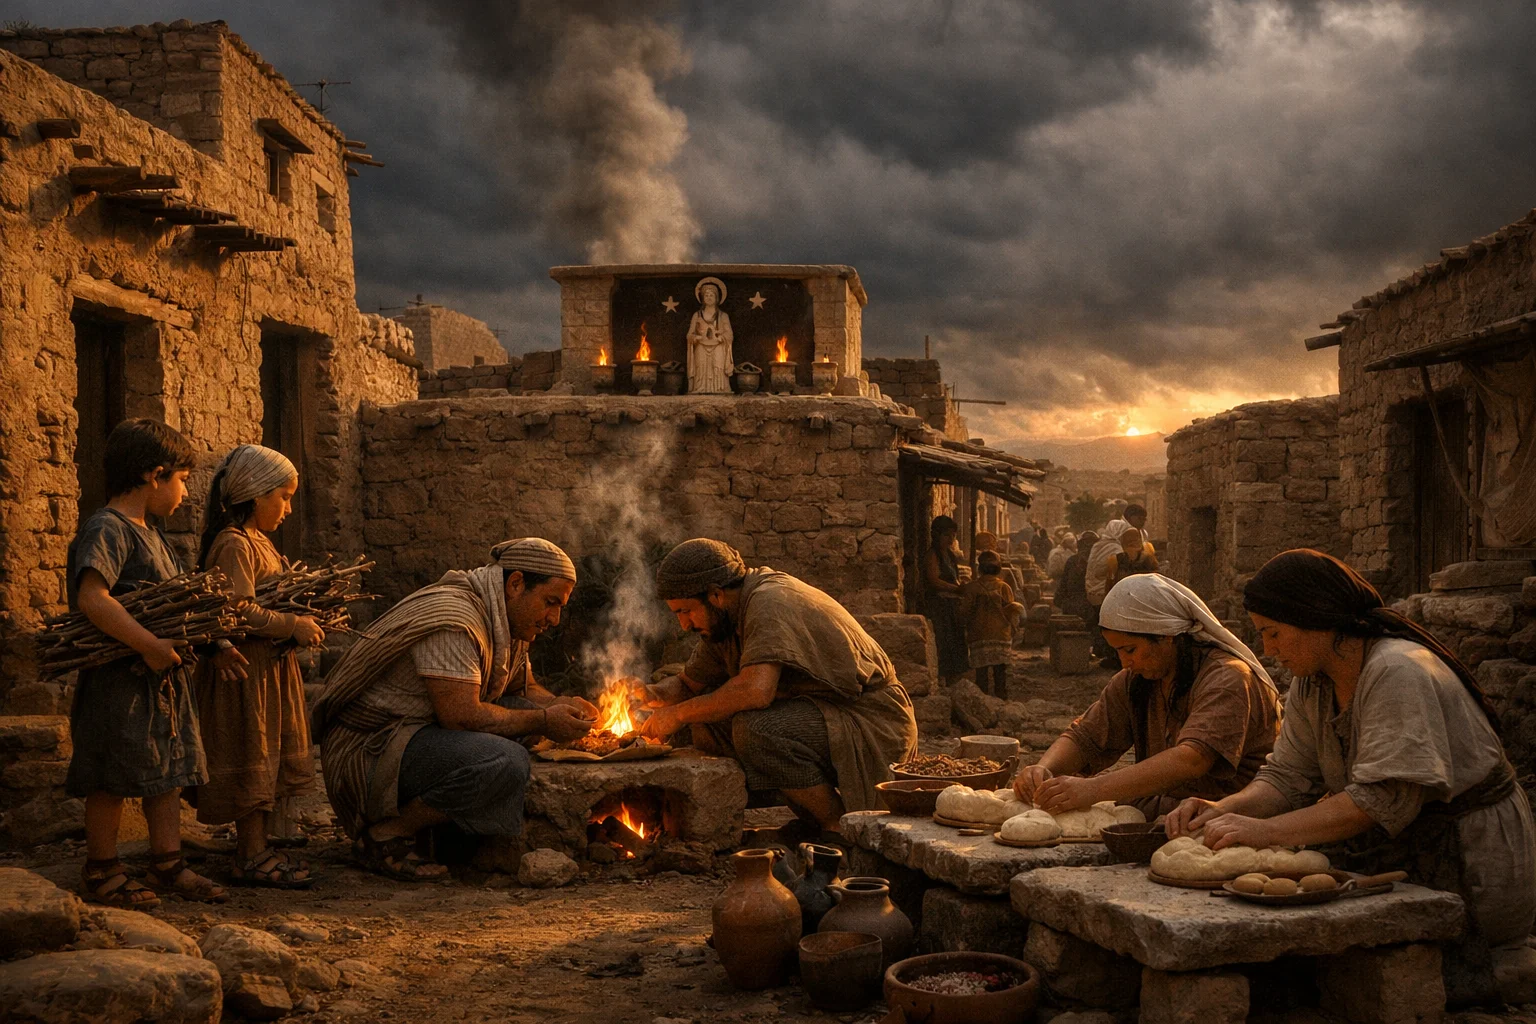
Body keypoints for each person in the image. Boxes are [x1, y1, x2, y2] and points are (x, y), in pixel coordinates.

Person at [1167, 549, 1536, 1005]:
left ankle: (1509, 968)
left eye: (1274, 633)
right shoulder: (1313, 680)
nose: (1268, 649)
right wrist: (1224, 810)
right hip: (1395, 843)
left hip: (1470, 851)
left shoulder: (1395, 670)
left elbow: (1379, 799)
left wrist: (1263, 832)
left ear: (1315, 619)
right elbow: (1287, 776)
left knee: (1444, 978)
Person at [312, 539, 597, 881]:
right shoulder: (456, 620)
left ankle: (448, 833)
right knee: (505, 761)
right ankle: (386, 834)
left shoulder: (507, 616)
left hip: (416, 736)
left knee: (523, 718)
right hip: (370, 750)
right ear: (516, 583)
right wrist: (545, 720)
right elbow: (460, 715)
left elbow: (525, 689)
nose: (554, 617)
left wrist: (556, 705)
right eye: (550, 603)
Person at [638, 539, 918, 836]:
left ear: (716, 594)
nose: (684, 625)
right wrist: (651, 694)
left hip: (871, 719)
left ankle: (838, 827)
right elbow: (687, 684)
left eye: (686, 611)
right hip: (821, 715)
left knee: (756, 729)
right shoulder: (724, 622)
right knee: (707, 726)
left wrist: (678, 714)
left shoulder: (768, 601)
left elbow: (755, 692)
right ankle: (798, 814)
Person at [65, 419, 226, 907]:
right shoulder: (107, 529)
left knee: (168, 770)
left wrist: (215, 643)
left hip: (163, 682)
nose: (185, 492)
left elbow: (179, 604)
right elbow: (94, 598)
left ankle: (166, 861)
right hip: (121, 682)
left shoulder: (153, 535)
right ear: (154, 475)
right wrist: (147, 644)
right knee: (111, 774)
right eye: (181, 480)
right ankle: (102, 868)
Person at [1015, 573, 1279, 819]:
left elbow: (1192, 759)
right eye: (1117, 650)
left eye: (1130, 649)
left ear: (1166, 637)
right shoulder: (1137, 680)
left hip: (1228, 816)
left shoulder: (1227, 678)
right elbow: (1087, 737)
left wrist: (1093, 789)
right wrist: (1043, 769)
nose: (1124, 662)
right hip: (1165, 810)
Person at [194, 445, 324, 888]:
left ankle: (262, 844)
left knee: (267, 753)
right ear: (254, 492)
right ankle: (249, 854)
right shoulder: (233, 544)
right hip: (245, 672)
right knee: (252, 749)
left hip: (268, 671)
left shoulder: (260, 543)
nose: (288, 508)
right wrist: (293, 625)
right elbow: (239, 610)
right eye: (283, 497)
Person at [959, 551, 1023, 697]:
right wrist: (1013, 630)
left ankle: (983, 699)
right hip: (1000, 635)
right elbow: (1012, 611)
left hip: (979, 635)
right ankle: (1001, 698)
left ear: (979, 568)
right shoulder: (1004, 587)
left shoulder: (971, 588)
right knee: (1000, 672)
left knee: (981, 673)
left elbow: (964, 613)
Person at [923, 516, 970, 684]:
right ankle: (943, 680)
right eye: (947, 535)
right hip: (940, 607)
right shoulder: (933, 555)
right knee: (944, 642)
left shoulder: (950, 555)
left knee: (957, 643)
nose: (951, 539)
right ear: (937, 535)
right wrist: (956, 588)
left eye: (953, 535)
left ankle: (955, 681)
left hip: (951, 606)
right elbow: (934, 580)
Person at [686, 277, 733, 394]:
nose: (709, 297)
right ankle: (700, 388)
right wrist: (696, 338)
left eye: (712, 295)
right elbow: (689, 335)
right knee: (700, 367)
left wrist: (721, 337)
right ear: (702, 298)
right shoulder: (697, 315)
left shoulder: (723, 316)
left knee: (718, 366)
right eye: (706, 295)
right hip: (701, 345)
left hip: (718, 346)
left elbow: (729, 334)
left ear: (717, 298)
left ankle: (719, 388)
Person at [1054, 530, 1096, 627]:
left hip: (1074, 606)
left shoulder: (1072, 561)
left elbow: (1061, 590)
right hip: (1092, 608)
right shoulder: (1101, 561)